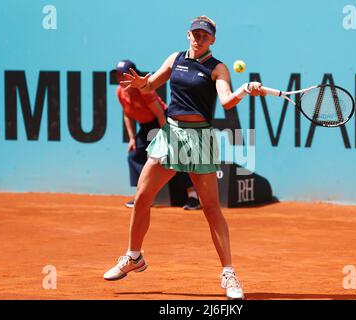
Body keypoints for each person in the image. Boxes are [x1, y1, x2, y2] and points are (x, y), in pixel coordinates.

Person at [104, 16, 265, 300]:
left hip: (200, 138)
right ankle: (133, 256)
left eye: (204, 35)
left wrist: (244, 89)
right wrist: (143, 83)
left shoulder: (218, 68)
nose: (198, 38)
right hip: (171, 135)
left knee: (211, 208)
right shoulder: (175, 58)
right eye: (195, 33)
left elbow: (226, 101)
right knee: (142, 197)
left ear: (212, 40)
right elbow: (150, 85)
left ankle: (229, 274)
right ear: (188, 35)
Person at [115, 60, 201, 210]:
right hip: (145, 127)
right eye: (118, 75)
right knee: (134, 155)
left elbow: (159, 113)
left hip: (162, 121)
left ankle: (193, 196)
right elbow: (127, 115)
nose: (120, 79)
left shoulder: (144, 91)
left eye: (124, 75)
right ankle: (143, 195)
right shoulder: (120, 92)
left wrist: (168, 137)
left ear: (133, 75)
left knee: (174, 156)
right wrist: (131, 138)